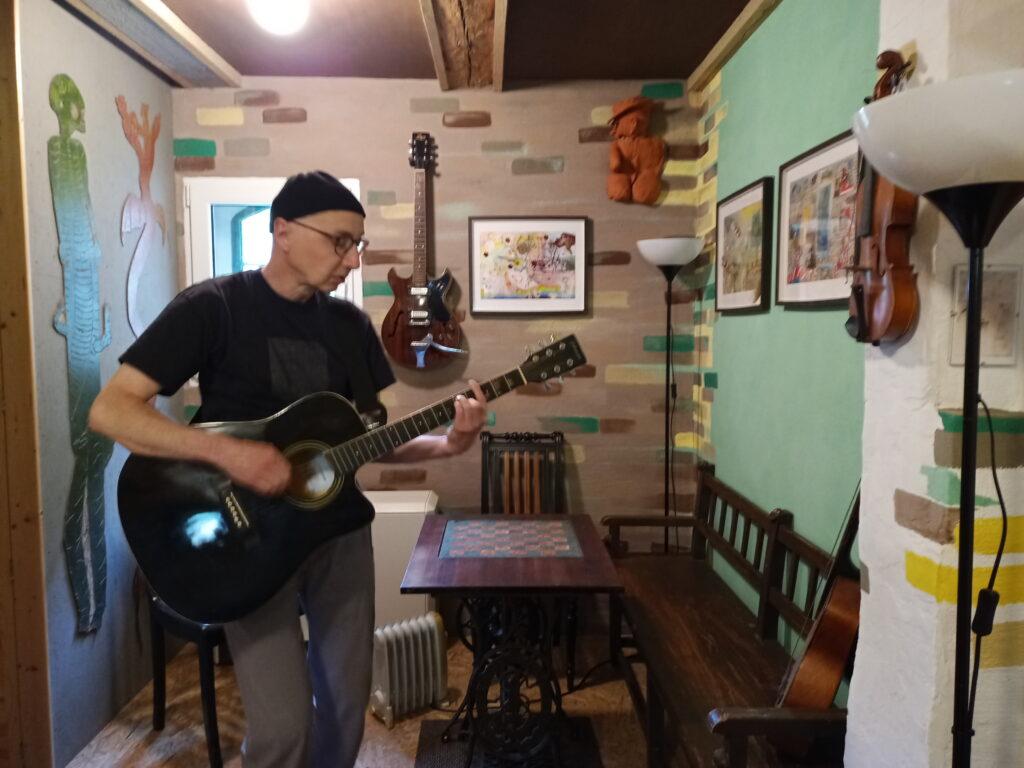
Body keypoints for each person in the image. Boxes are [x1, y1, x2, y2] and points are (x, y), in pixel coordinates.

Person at [89, 171, 488, 768]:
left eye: (358, 244)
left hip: (337, 536)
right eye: (340, 241)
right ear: (282, 231)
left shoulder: (350, 328)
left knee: (346, 712)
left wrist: (449, 444)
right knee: (283, 730)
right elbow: (112, 409)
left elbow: (370, 444)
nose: (353, 260)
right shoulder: (213, 307)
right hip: (245, 539)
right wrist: (229, 453)